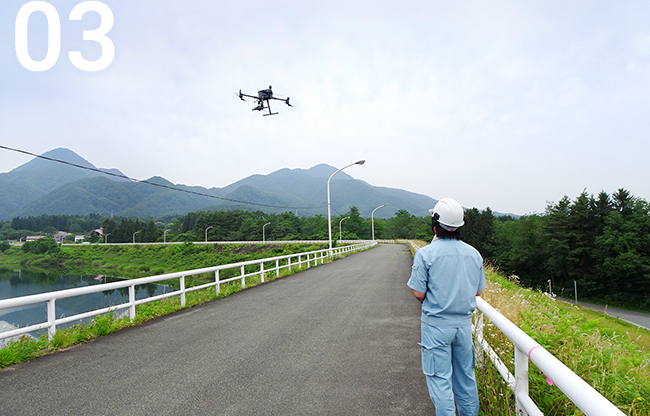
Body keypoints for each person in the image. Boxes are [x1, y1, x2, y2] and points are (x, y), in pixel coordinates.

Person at [407, 198, 486, 416]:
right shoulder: (474, 254)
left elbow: (418, 293)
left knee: (440, 381)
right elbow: (478, 291)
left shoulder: (426, 254)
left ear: (435, 226)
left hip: (436, 325)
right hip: (463, 325)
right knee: (466, 380)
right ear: (460, 227)